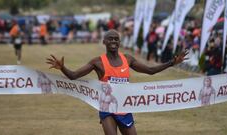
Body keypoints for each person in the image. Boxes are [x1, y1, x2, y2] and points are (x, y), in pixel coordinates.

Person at [46, 29, 188, 135]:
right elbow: (74, 75)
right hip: (107, 107)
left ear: (120, 42)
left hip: (124, 108)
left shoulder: (128, 59)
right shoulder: (98, 62)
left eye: (116, 39)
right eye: (110, 39)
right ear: (104, 42)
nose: (113, 41)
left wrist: (171, 63)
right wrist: (62, 68)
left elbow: (150, 71)